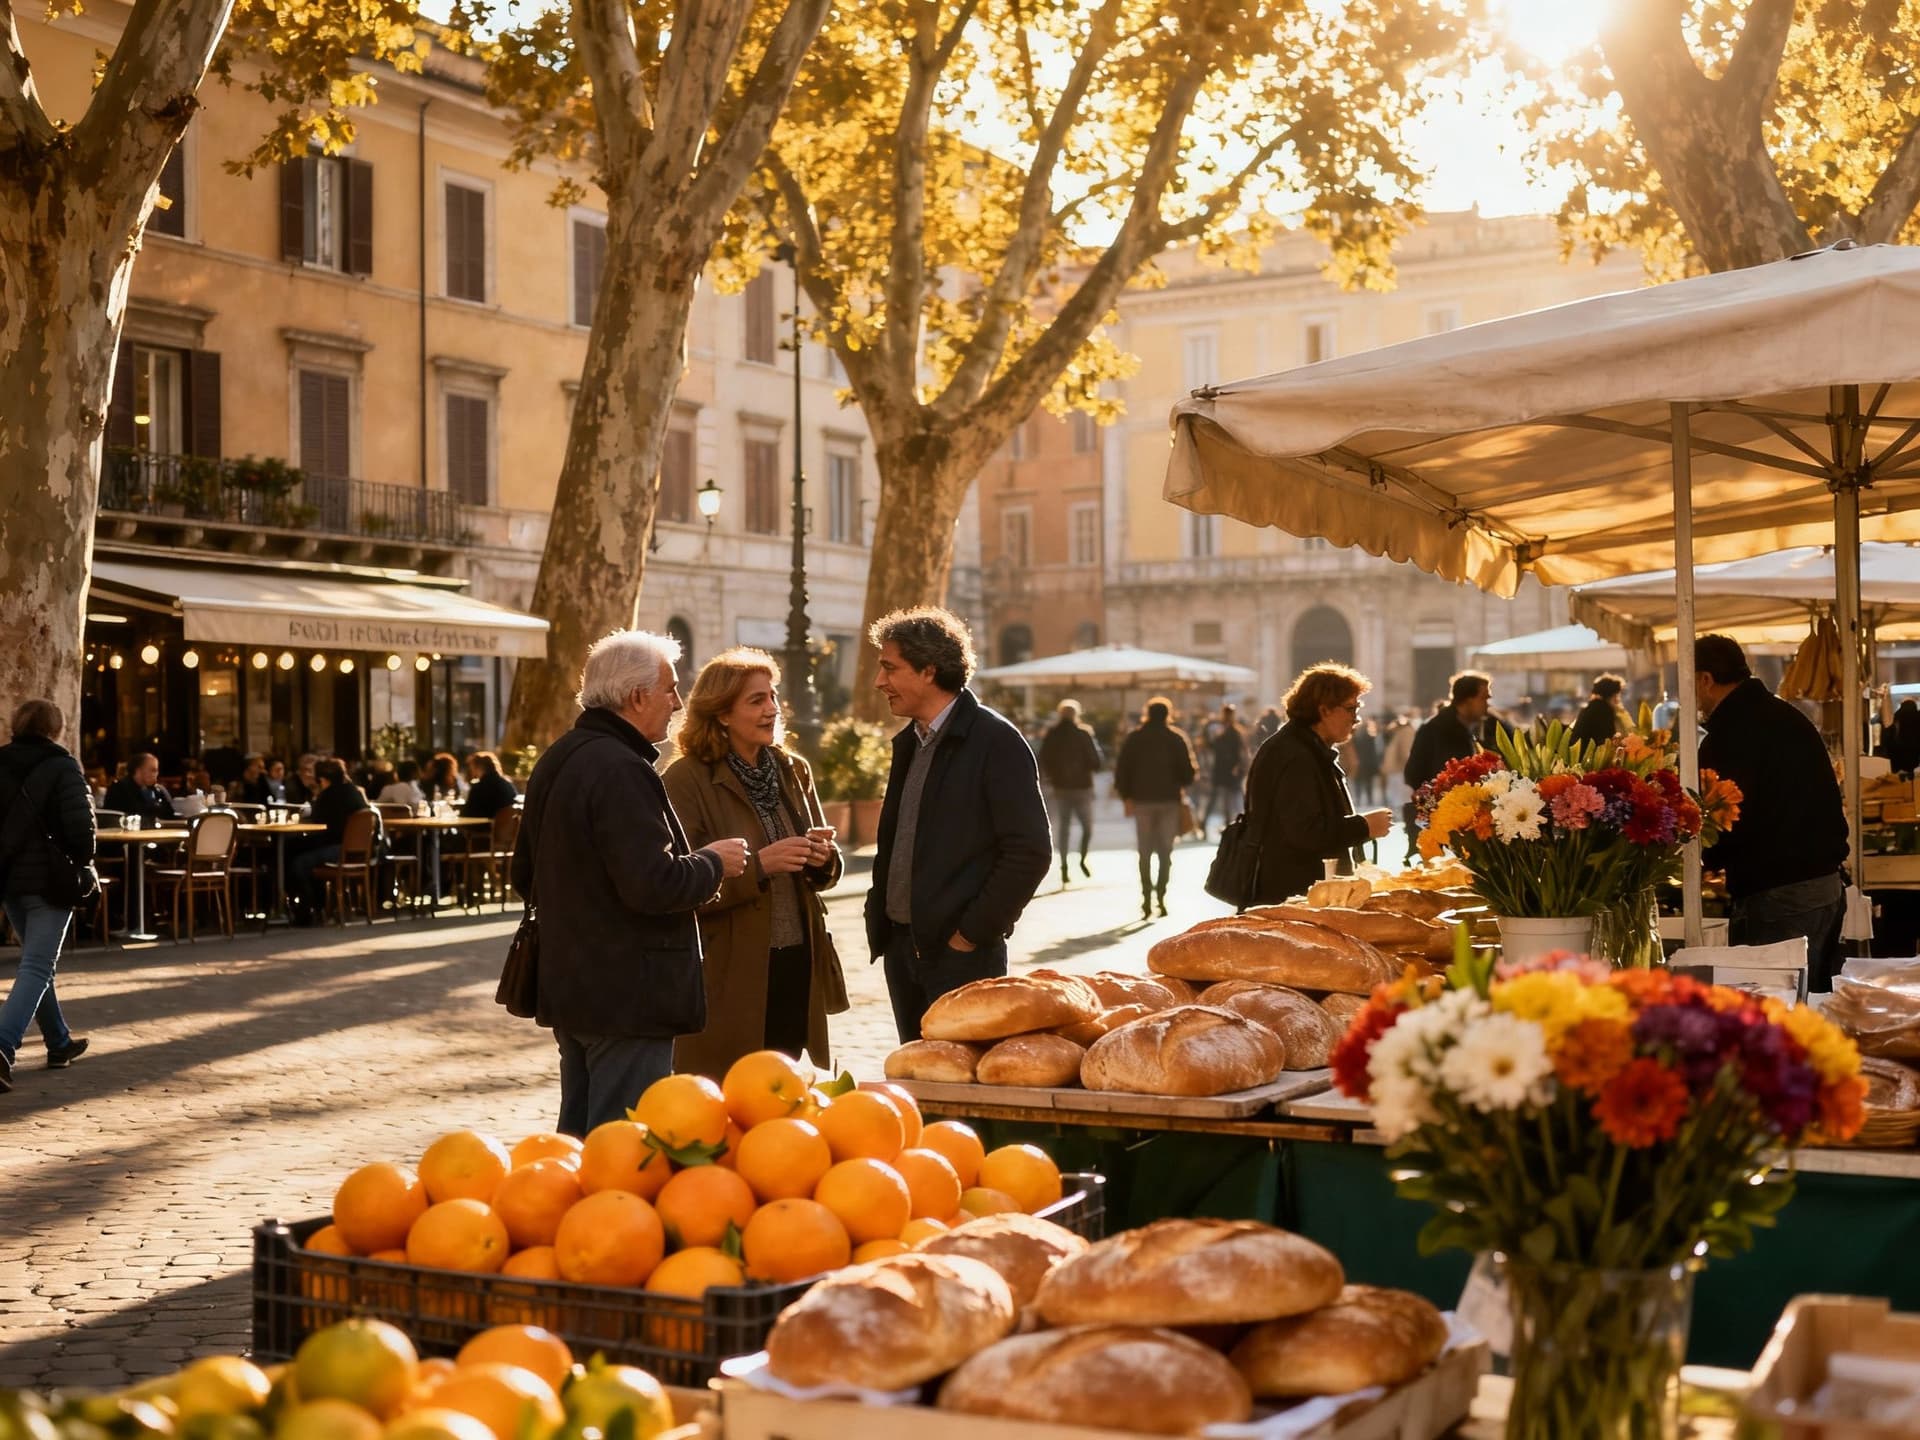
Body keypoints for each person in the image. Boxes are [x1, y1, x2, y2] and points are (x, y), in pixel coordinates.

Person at [509, 629, 750, 1136]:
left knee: (580, 1139)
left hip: (573, 985)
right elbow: (653, 884)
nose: (677, 703)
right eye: (670, 689)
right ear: (637, 697)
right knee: (622, 1143)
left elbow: (523, 874)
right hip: (627, 993)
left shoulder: (562, 755)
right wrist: (712, 862)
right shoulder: (620, 768)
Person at [864, 606, 1051, 1043]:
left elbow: (1029, 852)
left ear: (929, 670)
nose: (879, 681)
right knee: (916, 1074)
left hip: (962, 958)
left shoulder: (996, 741)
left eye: (890, 667)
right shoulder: (911, 741)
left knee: (966, 1078)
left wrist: (969, 936)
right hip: (902, 949)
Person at [663, 647, 848, 1078]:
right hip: (730, 970)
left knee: (782, 1085)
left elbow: (824, 870)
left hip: (797, 961)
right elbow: (678, 884)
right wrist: (759, 866)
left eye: (773, 696)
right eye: (757, 700)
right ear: (722, 713)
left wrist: (822, 858)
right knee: (726, 1090)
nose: (772, 709)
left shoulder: (793, 769)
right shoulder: (685, 779)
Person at [1695, 634, 1850, 990]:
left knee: (1773, 1009)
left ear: (1705, 679)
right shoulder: (1780, 715)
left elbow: (1727, 816)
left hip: (1780, 894)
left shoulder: (1733, 732)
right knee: (1807, 1005)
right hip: (1821, 887)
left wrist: (1706, 858)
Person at [0, 700, 94, 1092]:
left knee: (36, 963)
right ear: (56, 729)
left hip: (9, 879)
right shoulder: (62, 765)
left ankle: (58, 1041)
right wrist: (84, 860)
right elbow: (81, 829)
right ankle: (2, 1044)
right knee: (38, 965)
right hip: (51, 880)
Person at [1245, 665, 1394, 905]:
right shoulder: (1295, 754)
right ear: (1324, 710)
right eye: (1351, 709)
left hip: (1305, 891)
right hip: (1294, 895)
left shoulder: (1307, 748)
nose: (1356, 718)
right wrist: (1364, 826)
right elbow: (1305, 833)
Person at [1113, 697, 1198, 919]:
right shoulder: (1176, 738)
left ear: (1147, 713)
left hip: (1142, 801)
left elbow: (1122, 770)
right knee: (1165, 851)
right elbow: (1189, 773)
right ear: (1168, 714)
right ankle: (1161, 895)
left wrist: (1126, 796)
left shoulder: (1135, 738)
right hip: (1169, 800)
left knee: (1144, 851)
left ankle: (1146, 898)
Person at [1402, 672, 1491, 862]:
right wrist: (1437, 810)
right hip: (1441, 826)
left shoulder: (1481, 727)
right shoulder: (1434, 729)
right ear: (1467, 700)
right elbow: (1413, 774)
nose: (1488, 704)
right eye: (1484, 698)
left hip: (1469, 823)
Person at [288, 758, 369, 920]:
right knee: (301, 852)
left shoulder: (328, 795)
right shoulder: (353, 791)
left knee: (298, 861)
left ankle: (306, 910)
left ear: (323, 780)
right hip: (361, 851)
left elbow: (320, 825)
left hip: (338, 848)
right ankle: (319, 907)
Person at [1036, 699, 1103, 886]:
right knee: (1087, 827)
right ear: (1076, 714)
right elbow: (1096, 762)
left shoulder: (1052, 734)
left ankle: (1064, 865)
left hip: (1061, 788)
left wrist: (1052, 777)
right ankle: (1082, 857)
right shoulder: (1084, 734)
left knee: (1064, 828)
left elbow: (1043, 759)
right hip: (1083, 787)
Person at [1200, 704, 1249, 838]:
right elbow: (1215, 747)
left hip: (1226, 769)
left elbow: (1237, 751)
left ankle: (1222, 825)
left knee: (1225, 798)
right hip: (1225, 769)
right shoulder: (1227, 730)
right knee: (1222, 798)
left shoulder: (1229, 730)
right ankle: (1210, 824)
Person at [104, 753, 176, 827]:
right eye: (153, 770)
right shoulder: (119, 789)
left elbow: (170, 815)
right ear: (138, 770)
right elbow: (115, 818)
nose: (156, 774)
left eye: (156, 771)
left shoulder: (157, 791)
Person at [1570, 673, 1630, 749]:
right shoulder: (1603, 711)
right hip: (1589, 754)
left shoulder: (1591, 707)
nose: (1618, 700)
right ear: (1609, 695)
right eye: (1616, 695)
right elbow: (1607, 740)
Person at [462, 752, 518, 819]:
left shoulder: (479, 788)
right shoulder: (508, 785)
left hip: (485, 825)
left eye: (472, 767)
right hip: (507, 825)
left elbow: (467, 814)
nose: (471, 770)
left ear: (478, 767)